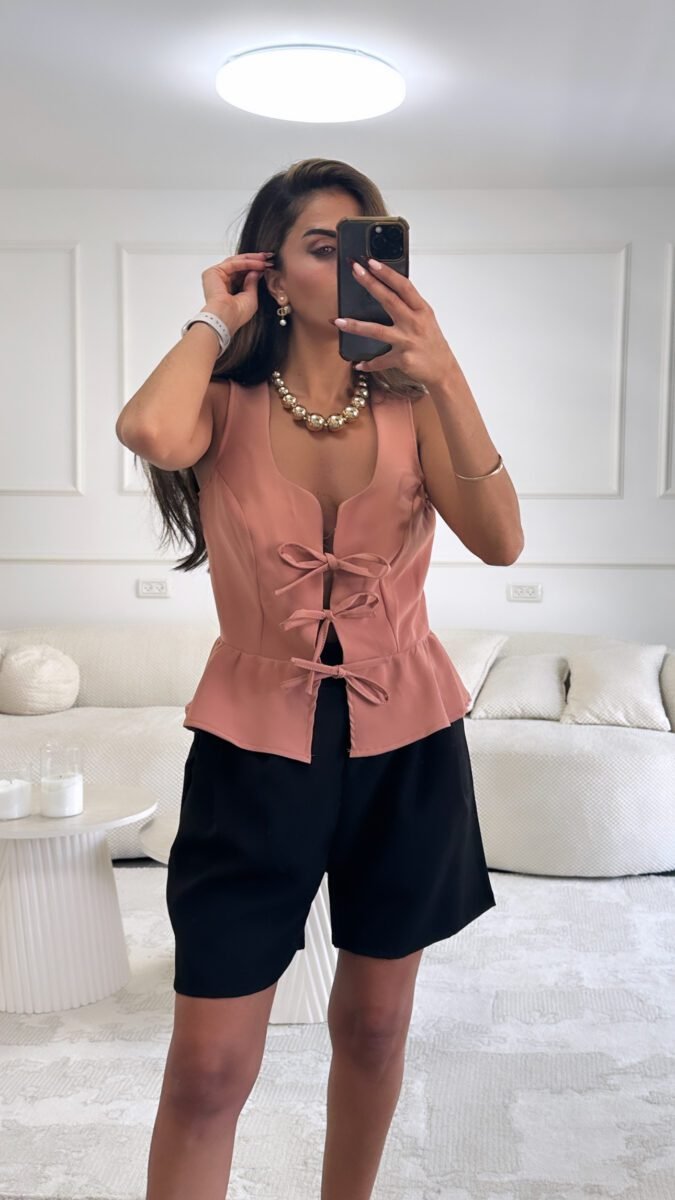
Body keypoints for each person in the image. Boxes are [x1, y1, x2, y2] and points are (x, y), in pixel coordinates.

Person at [116, 157, 523, 1200]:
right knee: (209, 1067)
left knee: (376, 1024)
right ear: (271, 270)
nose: (349, 266)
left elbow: (502, 541)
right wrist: (213, 318)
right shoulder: (220, 404)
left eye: (365, 246)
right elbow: (148, 431)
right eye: (320, 246)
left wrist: (444, 370)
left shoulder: (415, 404)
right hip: (252, 750)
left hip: (409, 745)